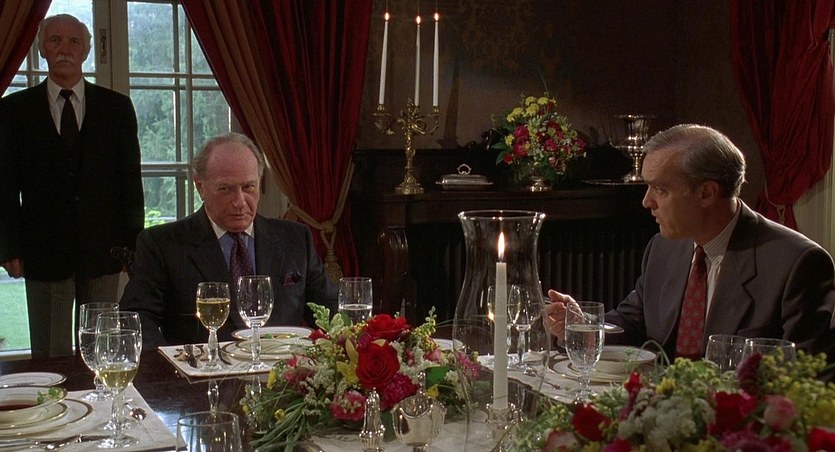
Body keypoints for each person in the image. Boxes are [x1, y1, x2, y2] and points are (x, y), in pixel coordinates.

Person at [543, 124, 835, 362]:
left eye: (659, 189)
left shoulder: (796, 264)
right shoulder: (663, 248)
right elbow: (632, 324)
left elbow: (807, 384)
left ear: (706, 193)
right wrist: (582, 326)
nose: (646, 202)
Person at [0, 14, 144, 358]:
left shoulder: (116, 108)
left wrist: (134, 246)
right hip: (43, 249)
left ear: (86, 50)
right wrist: (8, 248)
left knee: (103, 351)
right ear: (42, 49)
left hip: (105, 249)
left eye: (73, 41)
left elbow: (130, 182)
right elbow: (3, 185)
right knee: (51, 355)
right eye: (55, 41)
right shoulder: (13, 110)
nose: (64, 49)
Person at [121, 132, 338, 349]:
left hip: (281, 366)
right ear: (200, 187)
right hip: (200, 368)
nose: (239, 202)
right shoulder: (162, 244)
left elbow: (330, 312)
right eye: (226, 189)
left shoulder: (295, 238)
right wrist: (167, 364)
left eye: (248, 187)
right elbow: (137, 318)